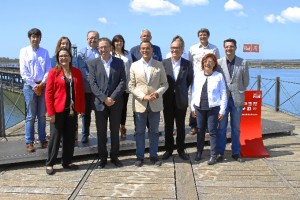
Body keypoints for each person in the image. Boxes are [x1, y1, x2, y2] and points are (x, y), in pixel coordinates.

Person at [45, 47, 85, 175]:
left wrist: (81, 108)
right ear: (58, 58)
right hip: (58, 110)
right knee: (55, 138)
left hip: (72, 110)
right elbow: (48, 93)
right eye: (61, 56)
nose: (63, 58)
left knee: (70, 137)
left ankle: (67, 161)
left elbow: (80, 92)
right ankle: (50, 163)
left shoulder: (76, 72)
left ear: (70, 58)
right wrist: (50, 113)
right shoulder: (53, 72)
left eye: (66, 56)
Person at [88, 38, 126, 168]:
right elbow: (92, 83)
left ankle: (114, 156)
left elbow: (122, 82)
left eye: (105, 47)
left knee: (115, 131)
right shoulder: (93, 63)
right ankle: (102, 158)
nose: (103, 50)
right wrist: (104, 98)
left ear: (111, 48)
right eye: (100, 47)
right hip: (100, 104)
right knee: (101, 132)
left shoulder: (119, 62)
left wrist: (112, 98)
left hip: (116, 103)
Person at [128, 41, 168, 167]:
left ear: (152, 50)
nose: (145, 50)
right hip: (140, 103)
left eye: (148, 48)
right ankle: (140, 157)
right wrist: (143, 96)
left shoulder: (159, 65)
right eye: (143, 48)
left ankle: (153, 155)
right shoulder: (134, 65)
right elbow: (131, 85)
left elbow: (165, 84)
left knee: (154, 132)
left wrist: (157, 93)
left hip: (155, 102)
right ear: (140, 50)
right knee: (139, 132)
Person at [216, 38, 249, 163]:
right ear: (224, 48)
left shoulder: (243, 62)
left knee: (236, 128)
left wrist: (237, 88)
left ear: (235, 47)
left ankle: (236, 152)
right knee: (222, 127)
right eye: (226, 46)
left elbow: (246, 81)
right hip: (223, 100)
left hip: (237, 99)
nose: (228, 48)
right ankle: (220, 152)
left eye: (231, 46)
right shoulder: (218, 63)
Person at [191, 53, 227, 165]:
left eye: (211, 62)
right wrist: (192, 107)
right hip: (199, 107)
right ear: (203, 64)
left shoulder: (218, 76)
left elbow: (223, 93)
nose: (208, 63)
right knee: (200, 130)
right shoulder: (198, 75)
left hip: (213, 107)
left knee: (212, 132)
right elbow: (193, 91)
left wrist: (222, 110)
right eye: (206, 62)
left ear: (214, 64)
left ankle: (213, 155)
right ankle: (199, 152)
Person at [19, 28, 51, 152]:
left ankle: (43, 139)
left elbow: (48, 70)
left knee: (42, 115)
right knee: (31, 116)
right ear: (29, 38)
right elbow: (23, 72)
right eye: (33, 37)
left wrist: (41, 84)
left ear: (40, 38)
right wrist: (34, 85)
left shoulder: (45, 52)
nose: (35, 39)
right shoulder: (23, 51)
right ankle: (29, 142)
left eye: (37, 37)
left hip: (42, 86)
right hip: (29, 87)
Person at [161, 36, 193, 161]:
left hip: (181, 99)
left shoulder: (187, 64)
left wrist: (181, 90)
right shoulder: (164, 63)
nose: (175, 50)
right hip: (167, 99)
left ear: (182, 49)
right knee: (168, 126)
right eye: (173, 48)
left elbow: (189, 81)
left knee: (180, 126)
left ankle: (181, 149)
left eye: (177, 48)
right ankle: (168, 150)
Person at [188, 28, 220, 136]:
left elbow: (217, 63)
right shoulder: (192, 48)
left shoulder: (214, 48)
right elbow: (190, 63)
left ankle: (207, 126)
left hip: (210, 77)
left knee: (208, 100)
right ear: (198, 36)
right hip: (197, 77)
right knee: (194, 100)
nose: (202, 37)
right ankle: (194, 125)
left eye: (204, 35)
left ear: (208, 36)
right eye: (201, 35)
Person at [51, 36, 79, 145]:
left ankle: (73, 140)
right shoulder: (54, 60)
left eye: (67, 44)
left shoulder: (75, 59)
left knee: (71, 127)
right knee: (57, 129)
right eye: (62, 43)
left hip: (72, 96)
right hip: (59, 98)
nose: (65, 45)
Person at [77, 30, 100, 144]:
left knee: (100, 113)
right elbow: (82, 69)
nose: (93, 40)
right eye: (91, 38)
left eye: (95, 38)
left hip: (99, 90)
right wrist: (92, 79)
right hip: (86, 88)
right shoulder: (82, 53)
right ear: (87, 39)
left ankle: (101, 134)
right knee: (85, 114)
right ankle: (85, 135)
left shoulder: (102, 51)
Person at [111, 34, 133, 139]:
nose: (118, 43)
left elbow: (132, 68)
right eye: (116, 41)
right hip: (114, 85)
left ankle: (122, 127)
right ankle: (114, 128)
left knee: (124, 107)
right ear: (113, 43)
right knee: (115, 107)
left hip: (126, 85)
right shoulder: (110, 54)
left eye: (120, 41)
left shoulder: (127, 54)